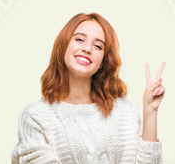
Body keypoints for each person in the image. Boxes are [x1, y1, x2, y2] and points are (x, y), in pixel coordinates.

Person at [12, 12, 165, 164]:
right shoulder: (35, 116)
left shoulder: (125, 111)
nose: (87, 48)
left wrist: (150, 112)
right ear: (63, 45)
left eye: (98, 46)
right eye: (79, 39)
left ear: (103, 61)